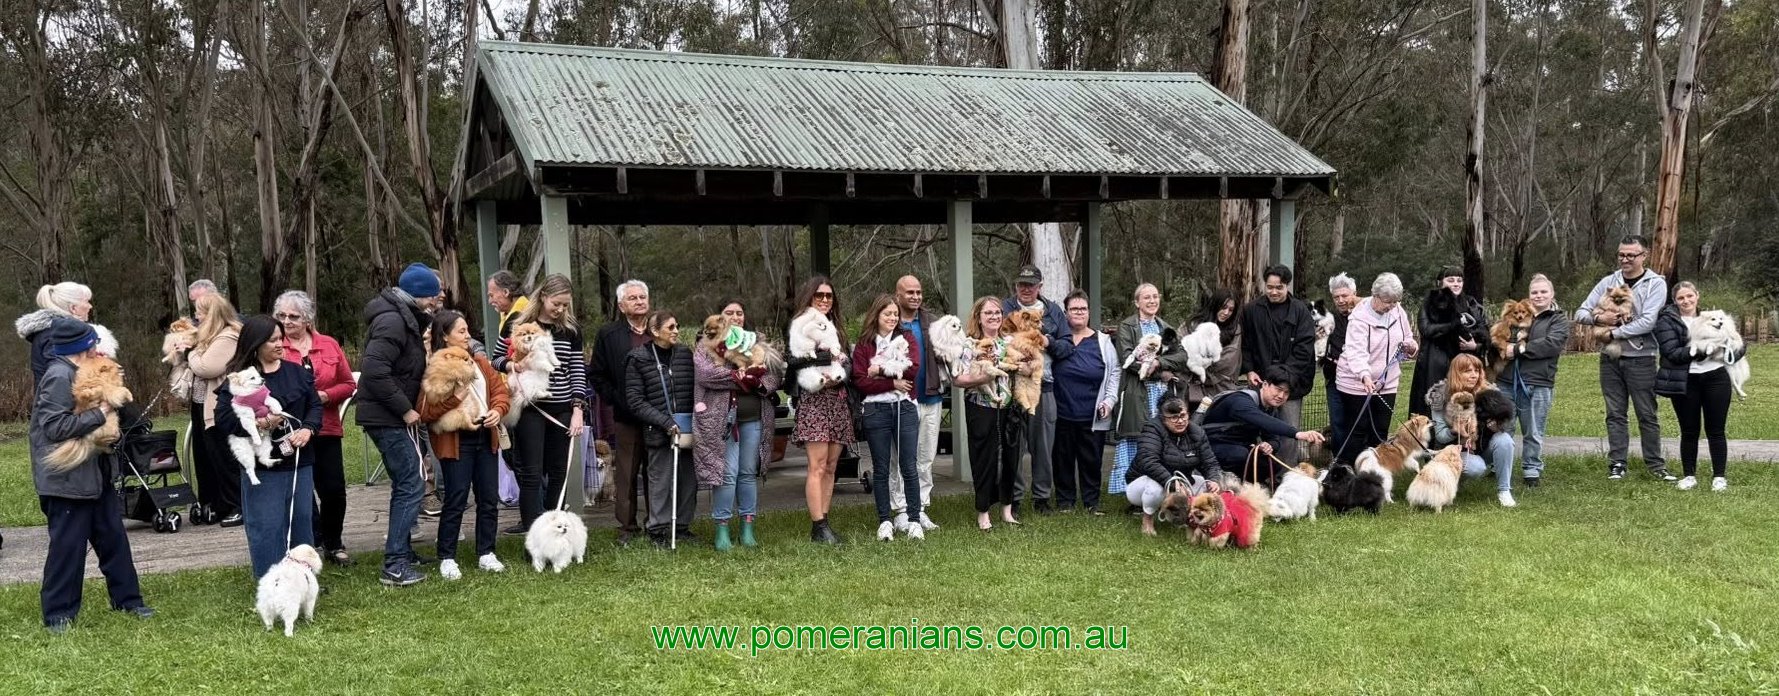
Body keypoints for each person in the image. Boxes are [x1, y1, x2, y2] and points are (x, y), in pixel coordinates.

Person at [31, 320, 152, 633]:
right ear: (81, 347)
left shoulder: (85, 371)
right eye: (92, 343)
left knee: (113, 539)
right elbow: (54, 427)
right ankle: (58, 614)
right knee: (67, 548)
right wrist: (100, 415)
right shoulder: (59, 375)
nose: (97, 348)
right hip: (67, 480)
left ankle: (129, 600)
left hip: (95, 472)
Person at [212, 315, 324, 577]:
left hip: (299, 462)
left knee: (301, 522)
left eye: (280, 338)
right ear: (256, 343)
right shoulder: (241, 380)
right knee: (267, 525)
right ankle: (271, 581)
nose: (279, 344)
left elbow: (314, 406)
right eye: (272, 340)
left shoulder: (297, 372)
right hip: (263, 467)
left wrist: (308, 429)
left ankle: (303, 579)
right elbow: (224, 419)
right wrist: (260, 424)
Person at [358, 262, 442, 587]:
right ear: (419, 296)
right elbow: (375, 371)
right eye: (433, 296)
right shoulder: (393, 321)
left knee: (407, 482)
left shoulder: (401, 317)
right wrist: (406, 409)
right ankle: (394, 564)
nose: (436, 301)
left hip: (388, 414)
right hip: (387, 416)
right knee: (412, 482)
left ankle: (403, 552)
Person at [417, 310, 511, 578]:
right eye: (461, 331)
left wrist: (498, 410)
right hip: (456, 440)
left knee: (488, 498)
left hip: (485, 435)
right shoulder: (435, 365)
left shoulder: (481, 363)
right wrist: (455, 399)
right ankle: (447, 556)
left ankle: (486, 552)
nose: (467, 335)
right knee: (456, 497)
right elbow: (425, 411)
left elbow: (501, 392)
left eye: (467, 330)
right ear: (445, 336)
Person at [494, 273, 588, 533]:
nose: (560, 309)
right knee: (532, 473)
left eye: (565, 305)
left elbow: (577, 370)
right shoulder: (518, 322)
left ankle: (553, 529)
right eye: (556, 303)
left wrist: (578, 408)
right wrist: (516, 364)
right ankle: (533, 533)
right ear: (543, 296)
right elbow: (496, 359)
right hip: (531, 407)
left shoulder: (571, 330)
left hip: (562, 408)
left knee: (559, 472)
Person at [1576, 235, 1673, 481]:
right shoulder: (1609, 281)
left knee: (1646, 413)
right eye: (1622, 254)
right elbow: (1581, 312)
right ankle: (1617, 462)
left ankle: (1655, 464)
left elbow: (1648, 321)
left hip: (1641, 357)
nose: (1625, 259)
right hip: (1610, 358)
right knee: (1615, 413)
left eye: (1631, 255)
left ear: (1644, 256)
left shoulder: (1656, 284)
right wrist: (1600, 320)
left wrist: (1613, 333)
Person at [273, 291, 357, 567]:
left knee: (333, 488)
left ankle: (334, 542)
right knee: (300, 490)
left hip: (327, 427)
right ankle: (311, 541)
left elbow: (348, 384)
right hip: (288, 430)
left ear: (308, 319)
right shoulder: (274, 346)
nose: (287, 321)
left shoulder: (329, 345)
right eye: (282, 316)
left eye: (294, 316)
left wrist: (325, 396)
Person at [693, 310, 781, 551]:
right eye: (728, 313)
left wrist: (755, 379)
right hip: (721, 421)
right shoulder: (706, 346)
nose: (734, 317)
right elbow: (706, 375)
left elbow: (774, 377)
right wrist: (742, 376)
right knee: (726, 474)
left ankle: (747, 527)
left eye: (739, 313)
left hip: (754, 418)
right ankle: (722, 528)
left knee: (747, 473)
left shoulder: (755, 341)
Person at [956, 296, 1040, 530]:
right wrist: (983, 377)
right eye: (988, 313)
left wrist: (1026, 367)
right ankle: (983, 513)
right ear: (978, 317)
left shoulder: (1010, 341)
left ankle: (1007, 510)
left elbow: (1030, 365)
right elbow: (958, 378)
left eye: (997, 312)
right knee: (985, 459)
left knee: (1012, 458)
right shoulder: (969, 344)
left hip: (1010, 406)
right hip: (981, 406)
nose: (993, 316)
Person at [783, 276, 855, 544]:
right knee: (817, 465)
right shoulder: (800, 326)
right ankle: (818, 525)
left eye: (829, 296)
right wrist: (829, 359)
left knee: (832, 465)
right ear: (810, 297)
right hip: (813, 400)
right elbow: (794, 360)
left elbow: (847, 361)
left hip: (837, 399)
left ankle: (825, 521)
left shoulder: (837, 328)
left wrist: (841, 373)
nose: (825, 300)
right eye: (819, 295)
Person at [849, 295, 924, 541]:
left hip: (905, 408)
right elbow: (861, 380)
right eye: (887, 314)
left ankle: (914, 519)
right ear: (876, 316)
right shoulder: (864, 344)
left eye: (895, 314)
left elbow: (913, 368)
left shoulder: (907, 338)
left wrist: (879, 371)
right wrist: (892, 381)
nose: (892, 318)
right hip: (875, 411)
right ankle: (885, 521)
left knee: (908, 467)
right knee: (881, 469)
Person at [1002, 264, 1070, 515]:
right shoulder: (1005, 309)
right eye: (1021, 284)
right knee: (1014, 445)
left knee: (1043, 445)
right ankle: (1014, 497)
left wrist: (1047, 341)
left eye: (1031, 284)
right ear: (1016, 286)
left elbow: (1066, 347)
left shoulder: (1053, 312)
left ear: (1040, 286)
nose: (1026, 289)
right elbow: (998, 339)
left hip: (1045, 385)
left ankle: (1042, 497)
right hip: (1013, 385)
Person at [625, 310, 695, 549]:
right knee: (660, 481)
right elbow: (635, 399)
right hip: (659, 429)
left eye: (677, 326)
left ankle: (682, 526)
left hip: (687, 427)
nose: (676, 331)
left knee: (688, 480)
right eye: (671, 327)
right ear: (654, 331)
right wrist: (664, 422)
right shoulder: (638, 358)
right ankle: (657, 529)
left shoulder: (685, 354)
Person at [590, 279, 652, 546]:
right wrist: (615, 398)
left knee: (657, 471)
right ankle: (627, 527)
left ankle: (658, 522)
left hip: (659, 416)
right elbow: (597, 373)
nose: (639, 301)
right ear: (621, 305)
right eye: (633, 298)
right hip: (626, 415)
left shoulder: (660, 328)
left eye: (642, 297)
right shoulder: (609, 334)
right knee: (626, 472)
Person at [1656, 282, 1735, 492]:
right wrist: (1701, 352)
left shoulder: (1713, 316)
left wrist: (1735, 351)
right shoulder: (1667, 321)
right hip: (1686, 380)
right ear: (1675, 301)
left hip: (1716, 377)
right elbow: (1671, 352)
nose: (1686, 301)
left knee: (1716, 430)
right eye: (1681, 298)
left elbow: (1735, 340)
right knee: (1689, 430)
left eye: (1690, 296)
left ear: (1697, 296)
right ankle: (1689, 475)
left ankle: (1719, 476)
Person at [1333, 273, 1419, 464]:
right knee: (1358, 430)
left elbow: (1408, 336)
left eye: (1395, 302)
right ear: (1375, 296)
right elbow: (1356, 351)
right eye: (1387, 301)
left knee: (1380, 430)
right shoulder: (1359, 318)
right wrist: (1364, 376)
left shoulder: (1397, 311)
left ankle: (1376, 473)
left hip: (1387, 381)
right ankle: (1350, 472)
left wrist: (1411, 346)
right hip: (1356, 382)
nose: (1391, 306)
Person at [1238, 265, 1317, 462]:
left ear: (1287, 286)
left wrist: (1284, 380)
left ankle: (1285, 476)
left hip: (1291, 385)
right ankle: (1260, 473)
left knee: (1289, 432)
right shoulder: (1251, 310)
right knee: (1257, 430)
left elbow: (1304, 349)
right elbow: (1245, 344)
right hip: (1261, 383)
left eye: (1279, 287)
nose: (1274, 291)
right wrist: (1249, 370)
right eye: (1270, 287)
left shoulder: (1301, 311)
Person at [1497, 274, 1569, 487]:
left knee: (1533, 430)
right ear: (1529, 296)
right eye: (1535, 292)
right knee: (1504, 428)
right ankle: (1501, 467)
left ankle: (1531, 469)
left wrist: (1518, 350)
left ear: (1552, 294)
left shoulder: (1557, 319)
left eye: (1543, 292)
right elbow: (1501, 339)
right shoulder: (1516, 314)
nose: (1539, 296)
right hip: (1507, 381)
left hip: (1538, 381)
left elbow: (1551, 345)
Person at [1051, 290, 1118, 514]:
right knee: (1062, 460)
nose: (1079, 312)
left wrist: (1109, 401)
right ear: (1066, 312)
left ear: (1088, 312)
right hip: (1061, 411)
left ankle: (1092, 502)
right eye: (1074, 309)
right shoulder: (1059, 339)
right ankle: (1065, 502)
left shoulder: (1103, 341)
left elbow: (1114, 372)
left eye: (1083, 309)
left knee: (1091, 460)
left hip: (1092, 413)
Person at [1202, 365, 1325, 487]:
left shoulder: (1270, 408)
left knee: (1271, 464)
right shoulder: (1240, 400)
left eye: (1286, 393)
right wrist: (1298, 434)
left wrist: (1269, 445)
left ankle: (1246, 487)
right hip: (1209, 446)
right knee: (1239, 455)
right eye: (1278, 389)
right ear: (1265, 384)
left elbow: (1274, 439)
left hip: (1239, 449)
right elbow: (1262, 420)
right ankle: (1222, 484)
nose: (1281, 396)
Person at [1109, 283, 1172, 512]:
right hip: (1137, 390)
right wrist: (1156, 368)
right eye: (1146, 297)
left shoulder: (1166, 327)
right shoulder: (1127, 326)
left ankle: (1159, 492)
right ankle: (1135, 498)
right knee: (1137, 441)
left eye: (1155, 296)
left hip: (1160, 393)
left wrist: (1162, 362)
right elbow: (1127, 357)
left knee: (1160, 441)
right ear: (1137, 302)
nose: (1152, 301)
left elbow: (1181, 355)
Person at [1424, 354, 1518, 507]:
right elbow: (1440, 437)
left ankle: (1504, 491)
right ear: (1456, 373)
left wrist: (1496, 425)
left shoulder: (1490, 392)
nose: (1474, 375)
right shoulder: (1440, 395)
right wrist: (1454, 431)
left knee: (1505, 440)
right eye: (1467, 371)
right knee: (1477, 468)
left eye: (1477, 370)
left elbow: (1507, 421)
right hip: (1453, 451)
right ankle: (1453, 480)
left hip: (1482, 446)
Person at [890, 276, 943, 533]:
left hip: (930, 397)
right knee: (901, 459)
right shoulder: (889, 320)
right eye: (909, 292)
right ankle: (901, 510)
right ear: (898, 295)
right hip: (902, 401)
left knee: (925, 458)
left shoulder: (931, 321)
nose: (915, 296)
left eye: (919, 292)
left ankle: (920, 508)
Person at [188, 292, 244, 528]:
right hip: (204, 405)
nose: (196, 317)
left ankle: (238, 505)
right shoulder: (212, 337)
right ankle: (220, 504)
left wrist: (189, 353)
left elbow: (206, 367)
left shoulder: (228, 337)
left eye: (200, 312)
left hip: (221, 407)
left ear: (211, 314)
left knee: (225, 457)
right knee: (211, 457)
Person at [1127, 397, 1222, 536]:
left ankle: (1193, 520)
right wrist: (1170, 481)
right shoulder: (1152, 429)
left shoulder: (1197, 432)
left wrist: (1213, 480)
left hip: (1181, 480)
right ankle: (1147, 519)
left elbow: (1210, 462)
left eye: (1183, 415)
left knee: (1208, 487)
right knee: (1156, 489)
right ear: (1163, 418)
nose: (1180, 421)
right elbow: (1148, 461)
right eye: (1174, 417)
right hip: (1142, 483)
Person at [1409, 266, 1491, 416]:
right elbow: (1426, 329)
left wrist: (1474, 345)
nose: (1456, 284)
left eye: (1459, 280)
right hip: (1436, 364)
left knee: (1463, 408)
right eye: (1451, 280)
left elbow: (1485, 333)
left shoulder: (1471, 304)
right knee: (1435, 405)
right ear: (1440, 282)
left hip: (1465, 365)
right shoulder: (1429, 304)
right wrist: (1453, 325)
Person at [16, 282, 102, 385]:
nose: (90, 306)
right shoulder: (61, 334)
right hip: (63, 399)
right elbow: (59, 380)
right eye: (86, 302)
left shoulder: (52, 331)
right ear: (73, 308)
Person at [1182, 288, 1243, 404]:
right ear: (1215, 304)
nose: (1226, 313)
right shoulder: (1193, 324)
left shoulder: (1235, 330)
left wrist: (1201, 361)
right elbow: (1181, 351)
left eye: (1231, 310)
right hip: (1191, 388)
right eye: (1223, 307)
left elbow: (1229, 361)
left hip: (1222, 389)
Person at [1321, 273, 1359, 442]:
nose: (1341, 300)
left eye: (1345, 295)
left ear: (1354, 293)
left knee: (1357, 423)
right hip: (1334, 379)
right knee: (1337, 422)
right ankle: (1339, 462)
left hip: (1359, 380)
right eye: (1336, 297)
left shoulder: (1364, 316)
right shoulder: (1329, 319)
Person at [487, 270, 530, 337]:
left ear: (506, 292)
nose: (489, 301)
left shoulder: (526, 315)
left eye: (491, 295)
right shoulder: (506, 314)